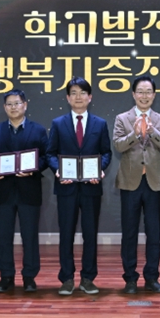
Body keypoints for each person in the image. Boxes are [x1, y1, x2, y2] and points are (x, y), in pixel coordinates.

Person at [46, 77, 112, 296]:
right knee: (66, 234)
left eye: (83, 93)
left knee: (90, 234)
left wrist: (100, 169)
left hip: (91, 188)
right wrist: (58, 171)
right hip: (66, 188)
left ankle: (88, 278)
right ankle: (66, 278)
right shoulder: (58, 123)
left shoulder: (100, 124)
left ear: (90, 97)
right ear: (67, 98)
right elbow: (50, 153)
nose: (78, 97)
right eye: (73, 93)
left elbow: (106, 152)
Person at [0, 90, 49, 293]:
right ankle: (6, 276)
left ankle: (29, 276)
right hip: (3, 191)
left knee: (30, 236)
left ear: (25, 105)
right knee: (4, 236)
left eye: (17, 103)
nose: (14, 107)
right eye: (9, 104)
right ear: (4, 108)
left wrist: (34, 168)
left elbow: (47, 157)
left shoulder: (38, 130)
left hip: (29, 190)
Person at [113, 76, 160, 294]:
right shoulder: (122, 118)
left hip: (153, 182)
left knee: (153, 233)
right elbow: (118, 145)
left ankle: (152, 277)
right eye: (140, 91)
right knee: (129, 233)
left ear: (154, 95)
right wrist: (135, 133)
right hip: (130, 182)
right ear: (133, 94)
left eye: (148, 92)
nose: (144, 96)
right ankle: (130, 278)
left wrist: (152, 131)